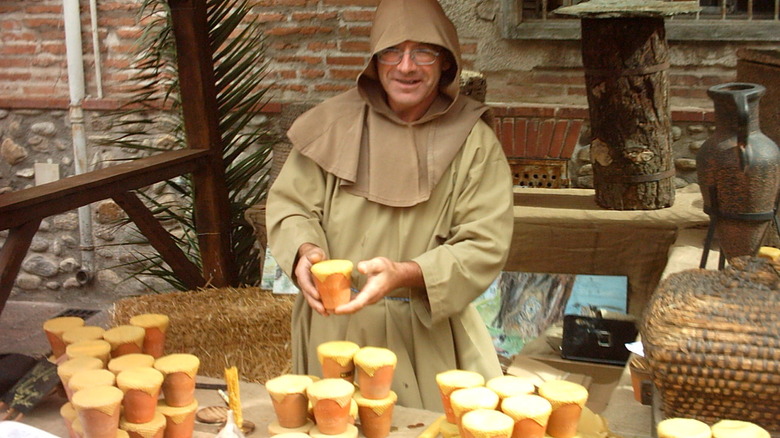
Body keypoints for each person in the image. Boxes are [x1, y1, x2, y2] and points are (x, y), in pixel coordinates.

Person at [265, 0, 514, 411]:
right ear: (374, 61)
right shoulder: (332, 125)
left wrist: (406, 273)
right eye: (392, 52)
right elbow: (291, 207)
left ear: (446, 63)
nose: (406, 67)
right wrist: (304, 252)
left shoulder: (474, 142)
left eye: (424, 52)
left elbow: (484, 244)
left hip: (426, 333)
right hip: (333, 330)